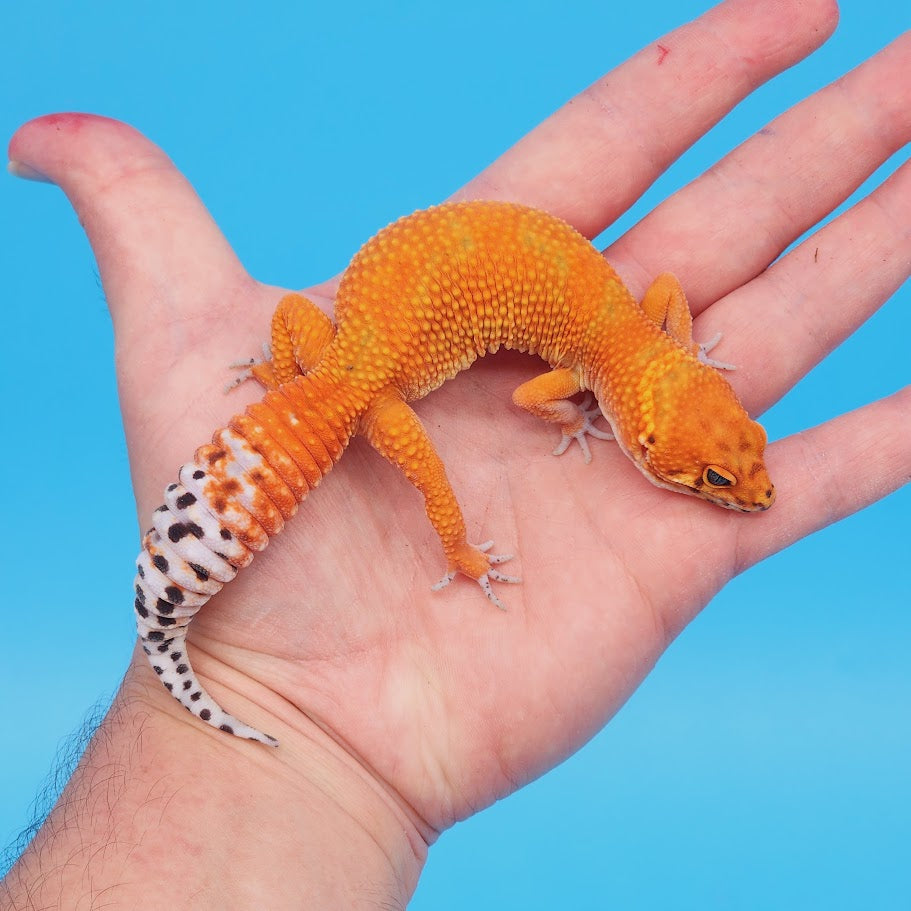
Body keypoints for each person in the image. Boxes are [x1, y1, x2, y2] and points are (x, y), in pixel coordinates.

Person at [3, 0, 908, 906]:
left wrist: (285, 374)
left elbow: (655, 307)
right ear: (639, 438)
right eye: (718, 475)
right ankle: (460, 556)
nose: (740, 485)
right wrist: (579, 421)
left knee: (330, 385)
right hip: (373, 382)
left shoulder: (633, 338)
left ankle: (274, 428)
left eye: (731, 459)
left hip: (335, 339)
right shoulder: (611, 359)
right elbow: (539, 388)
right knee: (429, 473)